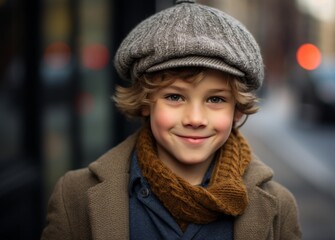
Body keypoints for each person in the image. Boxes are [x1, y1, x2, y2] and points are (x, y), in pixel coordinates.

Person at [41, 0, 302, 239]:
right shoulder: (74, 196)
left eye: (215, 99)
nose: (195, 119)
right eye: (175, 97)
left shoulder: (279, 205)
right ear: (145, 102)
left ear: (237, 110)